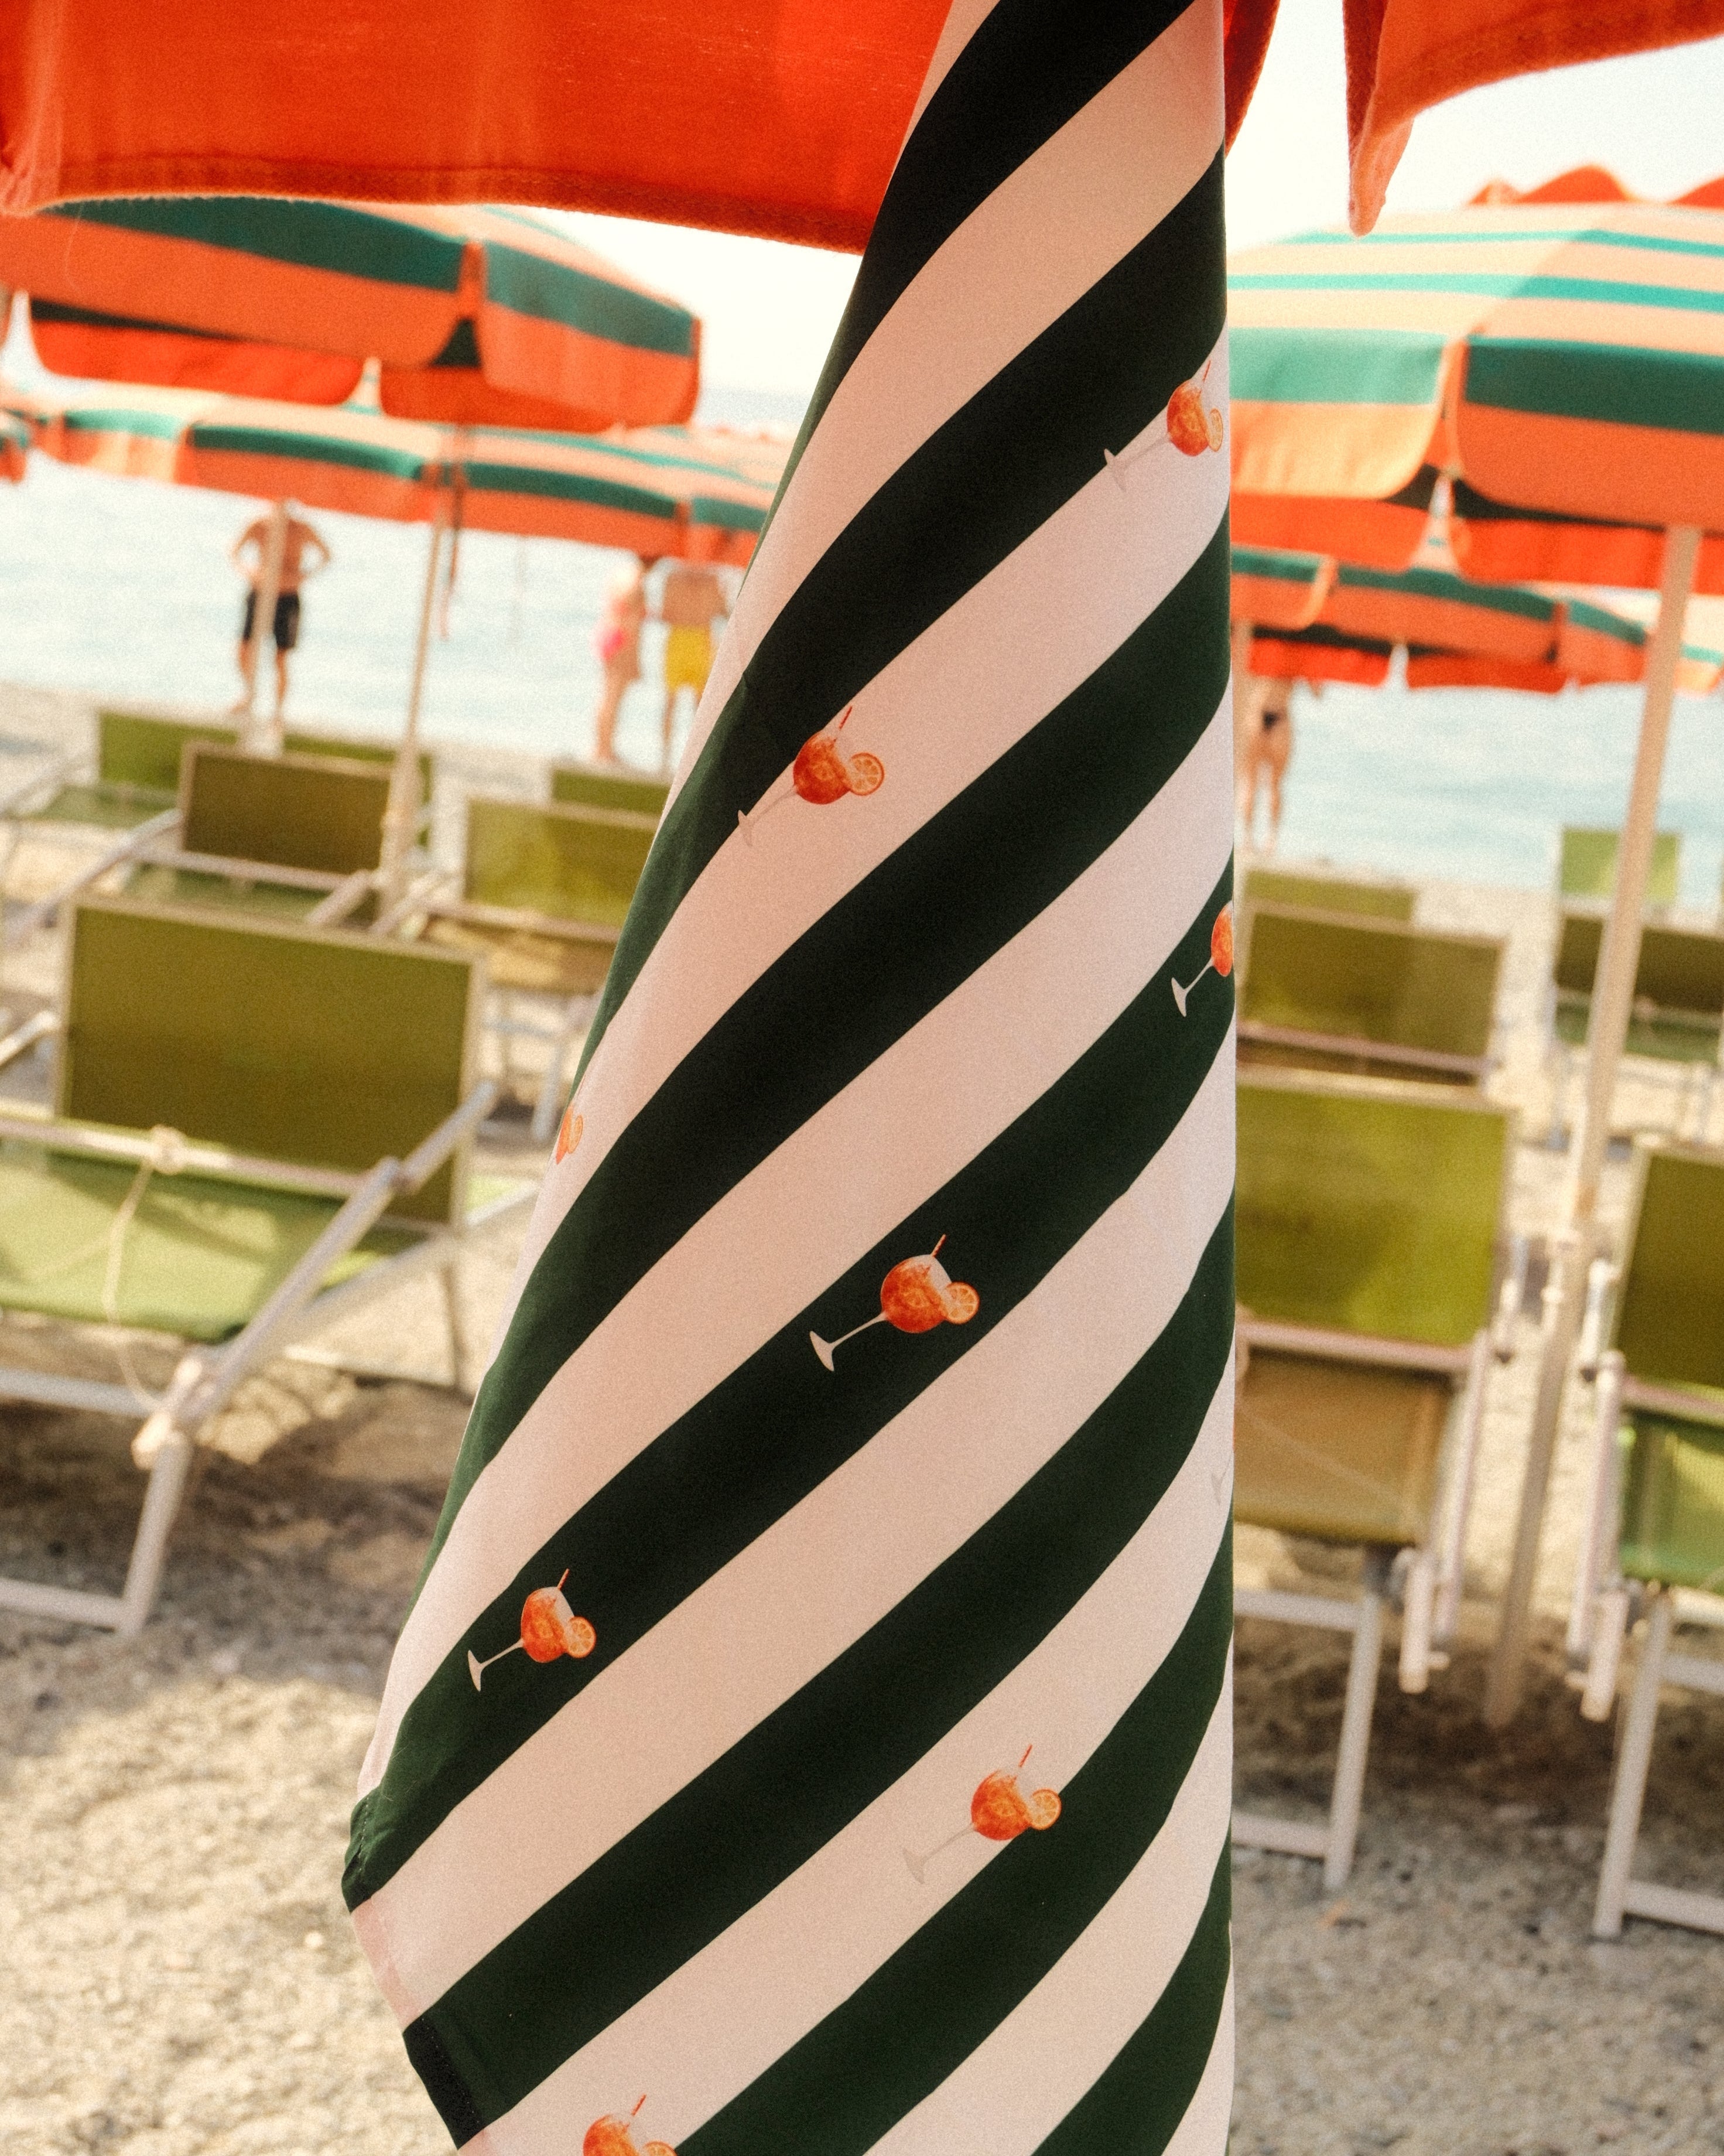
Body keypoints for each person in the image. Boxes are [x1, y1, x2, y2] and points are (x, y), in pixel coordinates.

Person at [231, 504, 330, 716]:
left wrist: (302, 576)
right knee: (244, 648)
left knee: (281, 656)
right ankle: (249, 695)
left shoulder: (301, 529)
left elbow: (326, 555)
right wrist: (251, 572)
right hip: (260, 592)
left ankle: (277, 711)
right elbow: (235, 553)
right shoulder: (259, 525)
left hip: (287, 596)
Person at [656, 560, 729, 771]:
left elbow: (666, 613)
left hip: (679, 639)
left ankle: (665, 759)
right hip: (700, 639)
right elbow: (723, 612)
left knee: (672, 701)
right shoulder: (712, 579)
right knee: (699, 707)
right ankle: (697, 760)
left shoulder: (673, 577)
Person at [591, 555, 652, 764]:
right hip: (621, 640)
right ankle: (604, 750)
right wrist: (635, 659)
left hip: (609, 633)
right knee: (613, 699)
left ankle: (602, 748)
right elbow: (632, 624)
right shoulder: (637, 581)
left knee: (608, 696)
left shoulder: (621, 572)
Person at [1236, 671, 1294, 852]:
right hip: (1260, 715)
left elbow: (1317, 691)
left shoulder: (1295, 658)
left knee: (1273, 784)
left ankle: (1270, 839)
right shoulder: (1263, 648)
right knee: (1253, 783)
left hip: (1273, 716)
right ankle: (1249, 839)